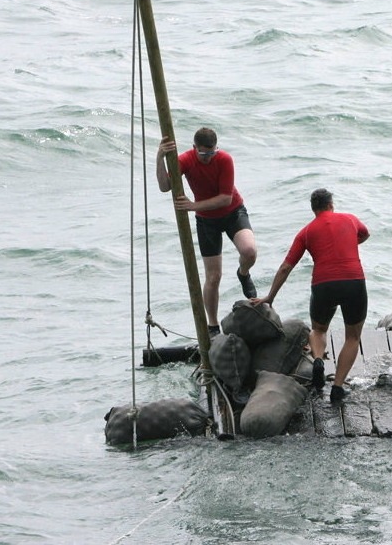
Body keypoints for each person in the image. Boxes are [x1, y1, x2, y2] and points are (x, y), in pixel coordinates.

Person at [256, 188, 369, 404]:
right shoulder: (350, 219)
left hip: (323, 285)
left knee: (318, 329)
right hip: (353, 282)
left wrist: (269, 297)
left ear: (313, 209)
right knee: (352, 337)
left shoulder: (306, 232)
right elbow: (364, 234)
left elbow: (285, 267)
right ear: (331, 205)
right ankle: (337, 387)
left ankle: (318, 359)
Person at [155, 127, 258, 336]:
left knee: (249, 251)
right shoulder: (185, 160)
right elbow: (165, 186)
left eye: (212, 153)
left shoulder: (224, 160)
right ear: (194, 149)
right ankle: (212, 325)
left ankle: (243, 273)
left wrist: (193, 205)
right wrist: (159, 157)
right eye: (203, 154)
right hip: (207, 221)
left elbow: (225, 198)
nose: (208, 158)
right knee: (213, 276)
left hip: (233, 213)